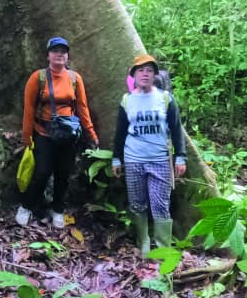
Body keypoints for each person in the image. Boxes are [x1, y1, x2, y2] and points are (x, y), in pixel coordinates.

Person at [15, 37, 99, 228]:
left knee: (63, 173)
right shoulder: (39, 77)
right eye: (55, 51)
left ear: (67, 55)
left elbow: (82, 108)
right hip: (44, 134)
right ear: (48, 55)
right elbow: (29, 108)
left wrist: (91, 134)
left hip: (68, 135)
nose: (59, 54)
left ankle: (58, 209)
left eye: (63, 51)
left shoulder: (74, 78)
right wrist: (27, 136)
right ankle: (26, 206)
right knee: (42, 173)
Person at [111, 54, 187, 255]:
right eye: (141, 70)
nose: (145, 74)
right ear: (133, 75)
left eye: (149, 70)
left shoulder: (165, 98)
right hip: (134, 159)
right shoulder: (127, 100)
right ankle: (143, 243)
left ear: (155, 75)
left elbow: (176, 129)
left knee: (160, 205)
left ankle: (163, 250)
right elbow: (120, 132)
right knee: (137, 203)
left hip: (160, 160)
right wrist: (116, 158)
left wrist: (180, 157)